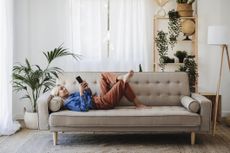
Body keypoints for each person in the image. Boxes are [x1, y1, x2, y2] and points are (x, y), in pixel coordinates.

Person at [51, 70, 147, 112]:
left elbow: (88, 94)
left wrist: (86, 89)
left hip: (99, 99)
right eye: (61, 89)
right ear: (58, 95)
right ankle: (137, 103)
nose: (64, 88)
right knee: (122, 84)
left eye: (63, 87)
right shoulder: (69, 103)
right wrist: (81, 93)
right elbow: (84, 108)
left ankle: (120, 77)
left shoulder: (71, 95)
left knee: (103, 76)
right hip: (101, 104)